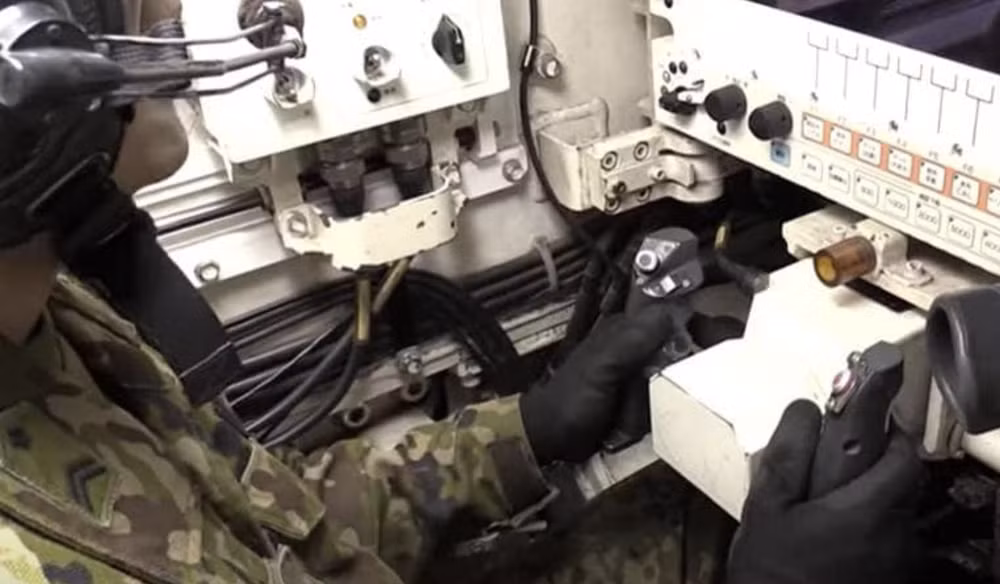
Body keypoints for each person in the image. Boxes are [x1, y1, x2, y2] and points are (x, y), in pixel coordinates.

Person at [0, 0, 924, 582]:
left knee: (690, 514)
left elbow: (270, 525)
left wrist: (525, 431)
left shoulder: (48, 319)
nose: (158, 13)